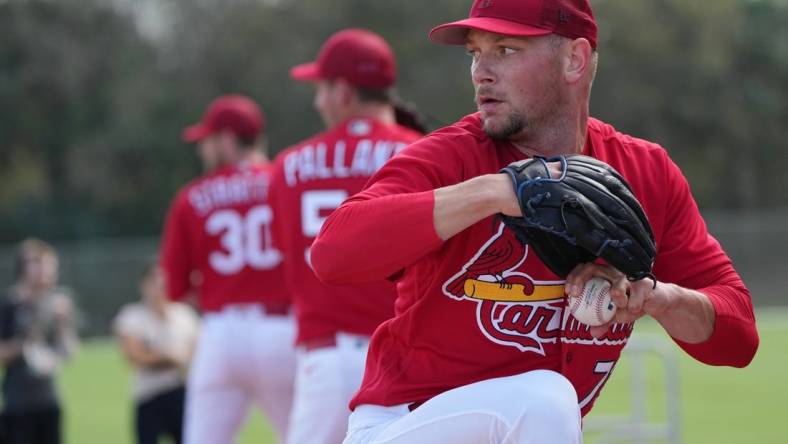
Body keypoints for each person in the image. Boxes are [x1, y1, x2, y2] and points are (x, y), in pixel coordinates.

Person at [310, 1, 760, 443]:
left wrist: (655, 297)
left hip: (529, 429)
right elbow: (333, 254)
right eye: (475, 52)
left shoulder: (644, 174)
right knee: (544, 400)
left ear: (574, 59)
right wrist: (495, 191)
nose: (481, 71)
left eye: (505, 49)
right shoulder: (453, 158)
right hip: (404, 425)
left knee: (546, 404)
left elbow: (739, 337)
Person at [269, 28, 424, 444]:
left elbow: (293, 260)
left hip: (329, 359)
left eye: (321, 88)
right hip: (410, 360)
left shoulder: (286, 166)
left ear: (342, 92)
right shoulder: (427, 152)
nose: (318, 101)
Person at [160, 94, 296, 444]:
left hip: (221, 332)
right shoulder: (288, 182)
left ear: (227, 139)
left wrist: (221, 292)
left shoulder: (191, 197)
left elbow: (174, 288)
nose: (202, 149)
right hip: (284, 329)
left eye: (207, 140)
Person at [0, 238, 78, 444]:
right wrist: (23, 344)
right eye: (37, 263)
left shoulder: (56, 305)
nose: (44, 270)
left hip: (49, 401)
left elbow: (69, 353)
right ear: (23, 268)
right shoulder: (9, 305)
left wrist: (63, 325)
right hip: (18, 404)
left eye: (48, 264)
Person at [114, 258, 200, 444]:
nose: (159, 285)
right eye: (153, 279)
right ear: (143, 284)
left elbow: (196, 355)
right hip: (149, 396)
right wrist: (172, 358)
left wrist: (157, 353)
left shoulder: (184, 315)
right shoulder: (131, 316)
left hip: (182, 395)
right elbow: (136, 357)